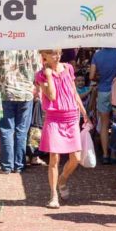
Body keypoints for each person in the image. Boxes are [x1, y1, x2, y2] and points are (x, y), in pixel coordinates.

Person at [35, 49, 91, 209]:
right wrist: (48, 74)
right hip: (54, 117)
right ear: (44, 56)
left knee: (76, 158)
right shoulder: (40, 75)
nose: (57, 56)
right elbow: (51, 95)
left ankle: (63, 180)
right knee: (54, 158)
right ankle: (53, 195)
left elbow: (73, 91)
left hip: (71, 116)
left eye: (58, 53)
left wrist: (84, 112)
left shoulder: (68, 68)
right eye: (53, 54)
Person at [0, 50, 41, 174]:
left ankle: (6, 166)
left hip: (5, 93)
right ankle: (19, 165)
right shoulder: (32, 49)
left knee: (6, 130)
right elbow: (38, 72)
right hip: (26, 93)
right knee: (22, 131)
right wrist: (36, 90)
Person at [89, 47, 116, 164]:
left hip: (103, 90)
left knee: (104, 124)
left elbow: (91, 76)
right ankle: (114, 153)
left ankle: (105, 155)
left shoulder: (97, 55)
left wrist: (99, 79)